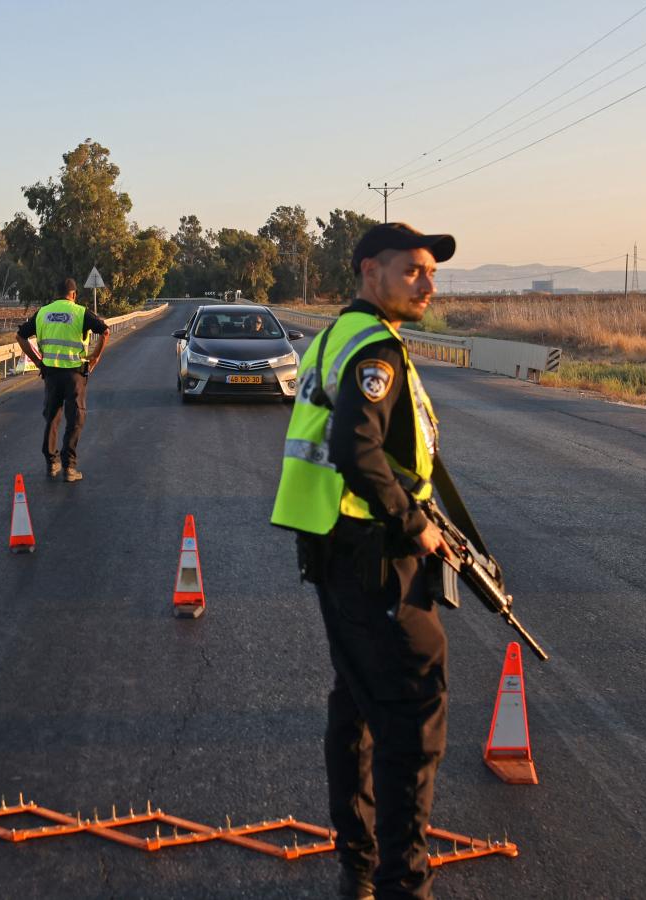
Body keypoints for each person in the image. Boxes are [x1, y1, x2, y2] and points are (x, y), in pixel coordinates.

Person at [271, 222, 457, 900]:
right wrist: (416, 526)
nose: (429, 284)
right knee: (413, 707)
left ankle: (359, 869)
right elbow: (357, 448)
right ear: (369, 270)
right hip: (373, 556)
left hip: (337, 547)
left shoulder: (336, 336)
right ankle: (402, 881)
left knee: (356, 704)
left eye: (432, 272)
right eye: (414, 271)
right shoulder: (373, 348)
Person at [17, 277, 109, 482]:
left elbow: (21, 336)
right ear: (74, 294)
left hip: (50, 373)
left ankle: (52, 463)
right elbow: (105, 331)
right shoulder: (80, 312)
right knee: (75, 419)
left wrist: (37, 361)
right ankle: (69, 467)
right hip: (74, 374)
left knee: (52, 417)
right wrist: (94, 358)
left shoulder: (43, 312)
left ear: (56, 294)